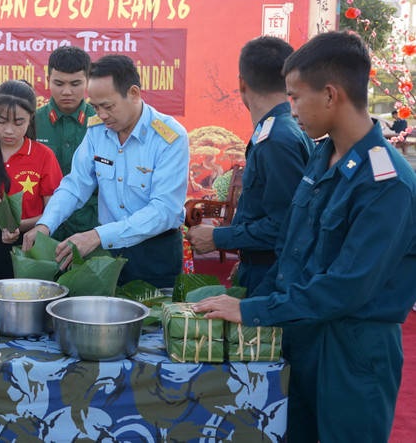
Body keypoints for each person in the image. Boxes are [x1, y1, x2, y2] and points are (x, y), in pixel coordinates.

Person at [193, 31, 416, 442]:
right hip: (302, 334)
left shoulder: (388, 182)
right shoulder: (322, 153)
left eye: (295, 97)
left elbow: (347, 287)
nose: (289, 108)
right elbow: (293, 249)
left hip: (351, 351)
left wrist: (256, 311)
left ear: (331, 95)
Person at [22, 54, 190, 289]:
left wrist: (98, 236)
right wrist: (45, 225)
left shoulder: (168, 137)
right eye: (95, 107)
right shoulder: (98, 130)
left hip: (155, 253)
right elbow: (75, 184)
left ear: (133, 94)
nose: (101, 115)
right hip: (109, 253)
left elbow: (164, 210)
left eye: (108, 106)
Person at [186, 36, 314, 295]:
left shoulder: (277, 139)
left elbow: (284, 224)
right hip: (262, 267)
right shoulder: (279, 129)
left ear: (241, 83)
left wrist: (217, 238)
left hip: (273, 278)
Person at [0, 80, 63, 285]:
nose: (8, 130)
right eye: (1, 120)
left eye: (18, 123)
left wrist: (18, 227)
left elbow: (53, 214)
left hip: (30, 242)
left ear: (30, 119)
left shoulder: (44, 156)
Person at [35, 46, 99, 242]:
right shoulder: (31, 123)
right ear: (48, 81)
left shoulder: (102, 123)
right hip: (42, 228)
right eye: (59, 83)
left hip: (90, 229)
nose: (67, 91)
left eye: (75, 83)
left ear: (88, 81)